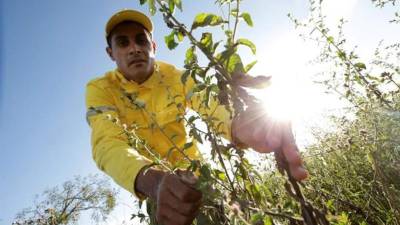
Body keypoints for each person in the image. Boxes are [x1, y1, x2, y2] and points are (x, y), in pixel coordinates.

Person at [86, 9, 308, 225]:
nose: (134, 49)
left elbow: (209, 103)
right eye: (123, 43)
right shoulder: (100, 89)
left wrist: (239, 123)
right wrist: (154, 181)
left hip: (199, 179)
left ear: (153, 46)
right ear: (110, 53)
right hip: (156, 191)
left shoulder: (176, 76)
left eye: (141, 41)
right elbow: (107, 142)